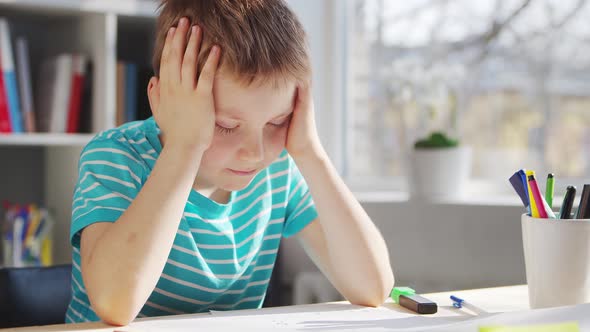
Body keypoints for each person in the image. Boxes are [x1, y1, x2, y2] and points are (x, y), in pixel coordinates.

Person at [66, 0, 394, 326]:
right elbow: (114, 304)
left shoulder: (277, 171)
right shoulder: (116, 157)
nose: (254, 152)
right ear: (163, 100)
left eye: (277, 122)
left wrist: (311, 152)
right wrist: (184, 147)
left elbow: (372, 288)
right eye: (225, 125)